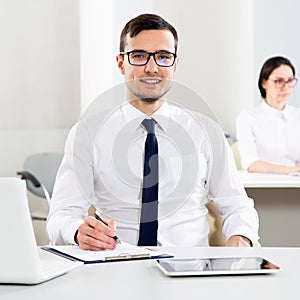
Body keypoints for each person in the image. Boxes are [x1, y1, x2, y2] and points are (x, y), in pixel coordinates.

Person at [47, 13, 259, 250]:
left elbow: (236, 205)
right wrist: (76, 231)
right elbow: (61, 215)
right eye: (138, 56)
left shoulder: (206, 132)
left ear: (175, 64)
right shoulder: (87, 132)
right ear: (121, 63)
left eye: (163, 57)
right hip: (115, 269)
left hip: (189, 271)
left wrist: (240, 239)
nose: (151, 67)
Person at [236, 56, 300, 174]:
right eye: (279, 81)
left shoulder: (297, 116)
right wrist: (293, 170)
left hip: (295, 184)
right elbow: (250, 163)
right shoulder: (247, 117)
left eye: (290, 81)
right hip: (262, 185)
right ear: (264, 82)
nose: (286, 87)